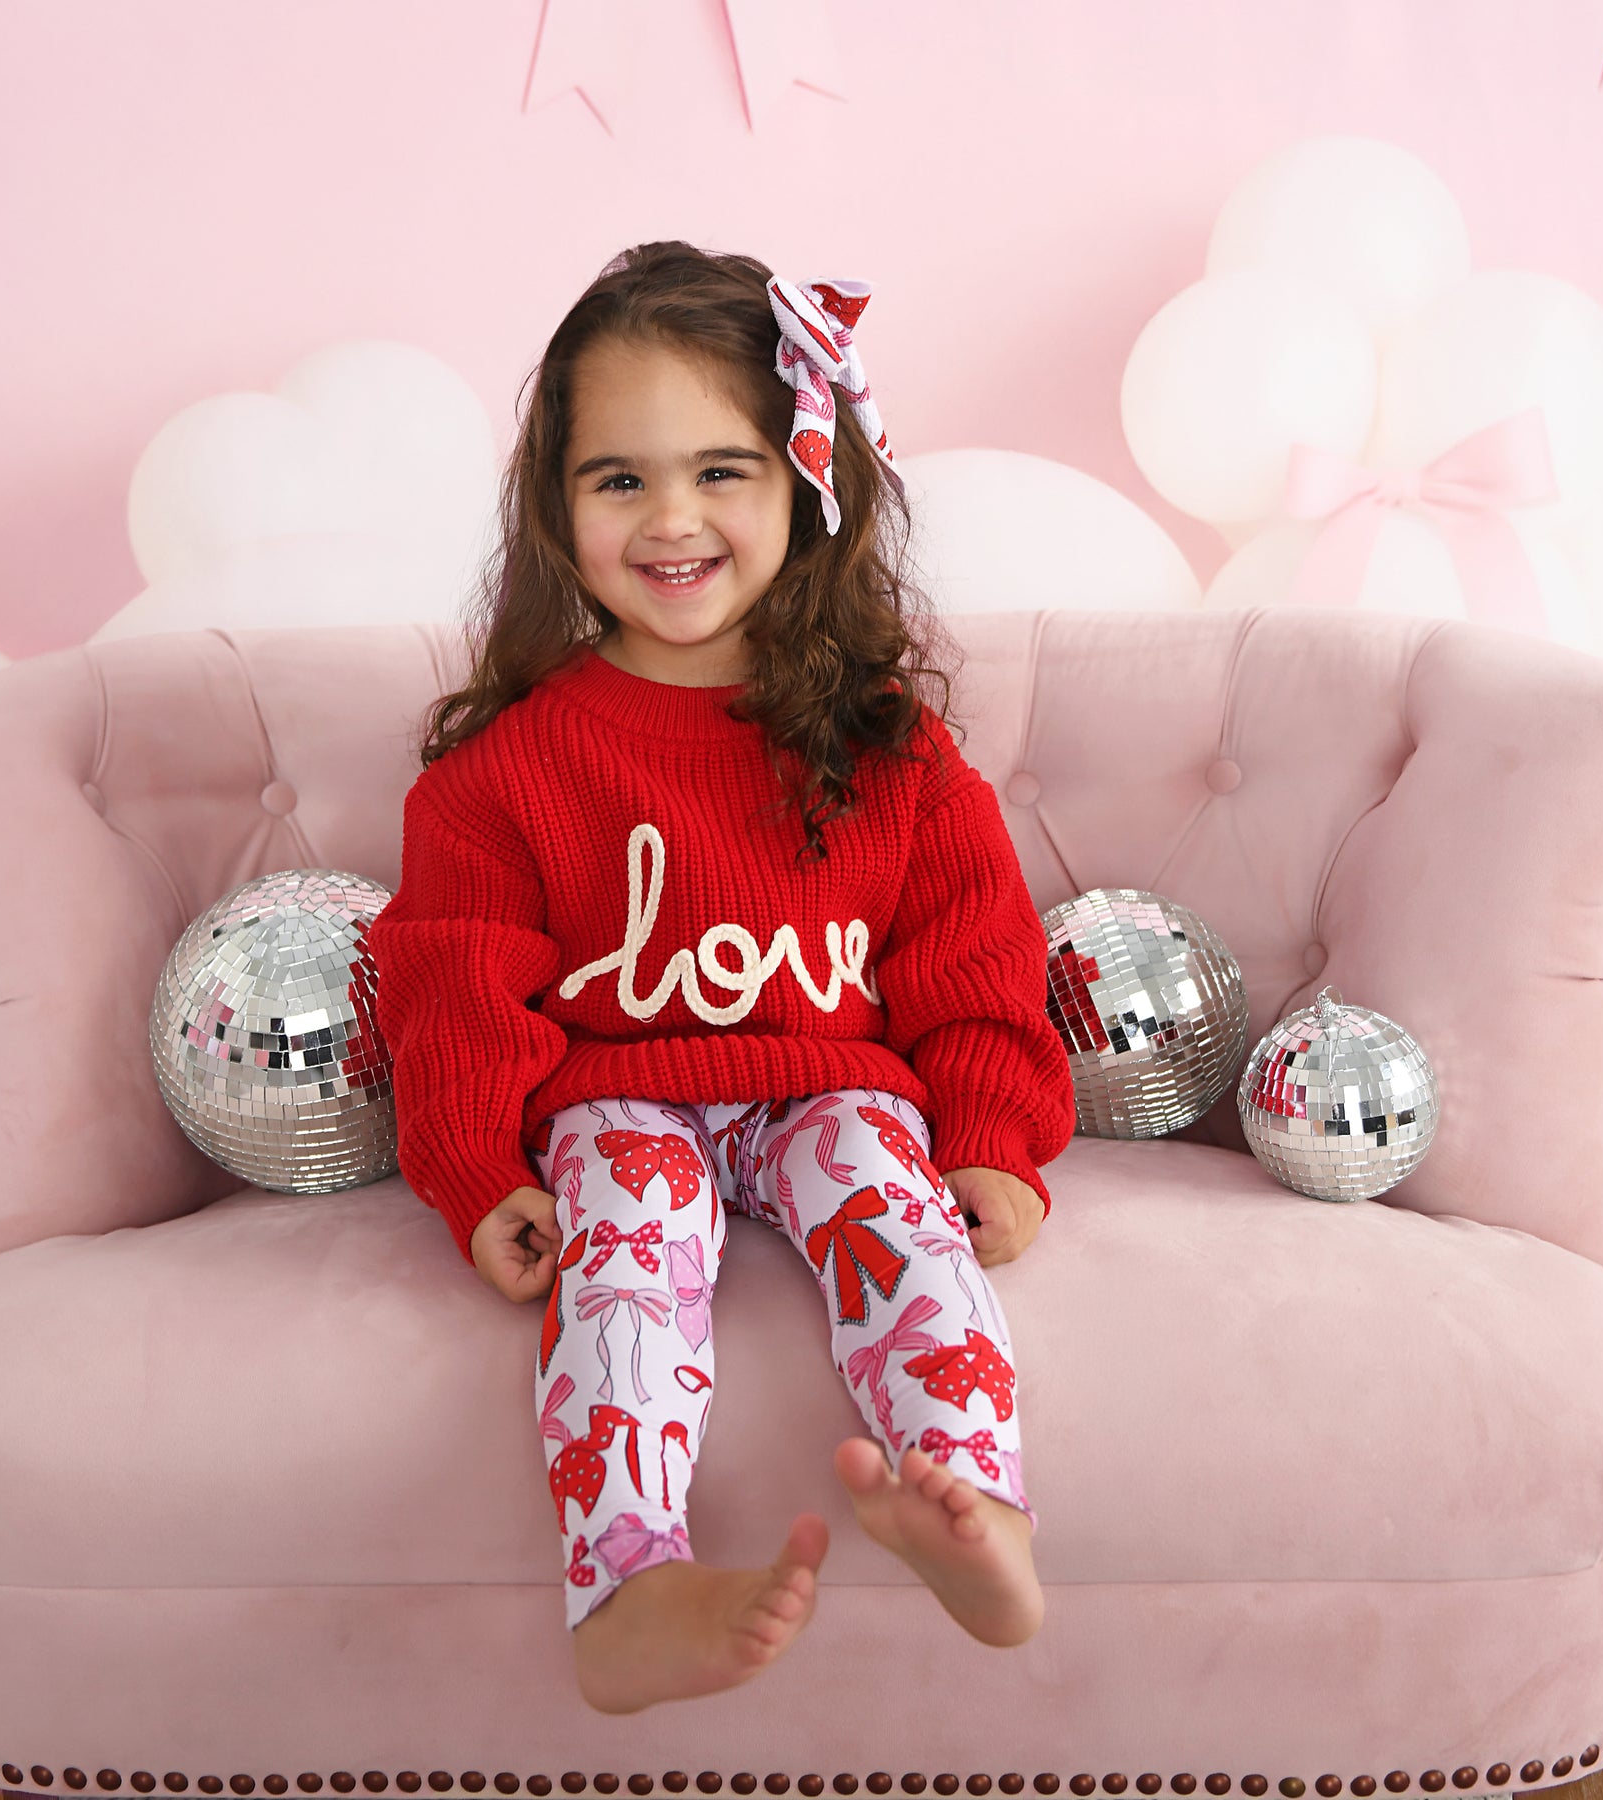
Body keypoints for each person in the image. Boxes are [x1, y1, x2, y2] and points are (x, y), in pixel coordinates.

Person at [363, 240, 1076, 1716]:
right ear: (555, 505)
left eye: (721, 471)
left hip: (833, 1091)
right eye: (619, 478)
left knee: (899, 1215)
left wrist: (991, 1144)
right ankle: (628, 1589)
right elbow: (454, 985)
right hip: (620, 1102)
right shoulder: (509, 771)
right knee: (621, 1264)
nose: (671, 518)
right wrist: (475, 1173)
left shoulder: (886, 746)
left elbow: (973, 958)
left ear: (805, 483)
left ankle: (976, 1511)